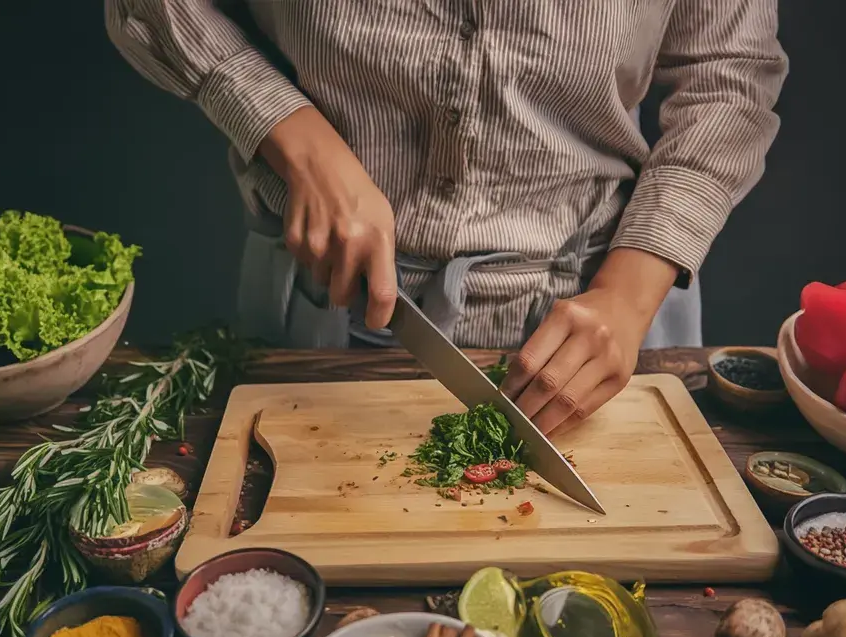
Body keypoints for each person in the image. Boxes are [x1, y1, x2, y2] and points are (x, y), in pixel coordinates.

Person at [106, 1, 787, 434]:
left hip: (596, 315)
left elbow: (730, 74)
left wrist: (627, 295)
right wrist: (292, 136)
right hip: (324, 292)